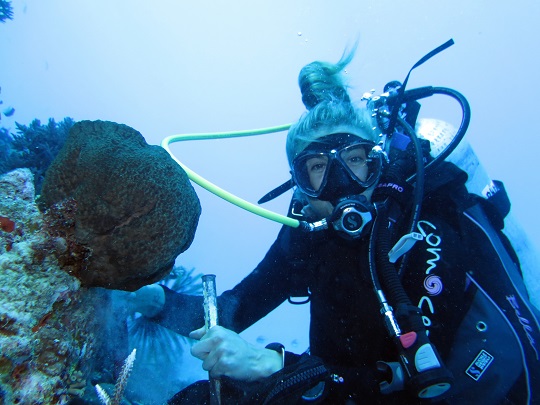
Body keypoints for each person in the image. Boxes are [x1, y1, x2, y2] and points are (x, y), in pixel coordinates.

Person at [130, 48, 540, 404]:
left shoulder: (424, 221)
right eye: (318, 168)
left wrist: (271, 362)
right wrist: (156, 301)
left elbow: (422, 384)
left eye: (355, 160)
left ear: (377, 165)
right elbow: (235, 309)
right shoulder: (306, 237)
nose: (341, 184)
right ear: (300, 187)